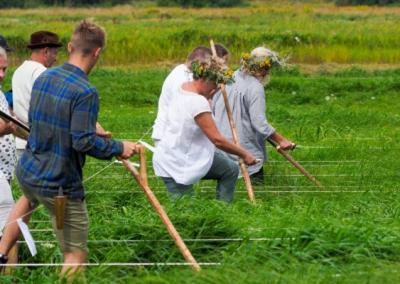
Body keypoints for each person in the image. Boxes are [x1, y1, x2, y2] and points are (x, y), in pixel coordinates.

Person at [0, 20, 138, 278]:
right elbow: (83, 142)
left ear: (71, 46)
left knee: (26, 200)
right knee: (75, 253)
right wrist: (119, 147)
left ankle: (1, 254)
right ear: (97, 52)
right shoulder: (86, 91)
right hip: (60, 186)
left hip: (29, 173)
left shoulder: (45, 77)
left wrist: (85, 126)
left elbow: (40, 121)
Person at [153, 54, 257, 202]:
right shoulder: (197, 102)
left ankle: (222, 213)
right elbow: (217, 140)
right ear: (204, 79)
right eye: (215, 84)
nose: (216, 90)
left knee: (229, 169)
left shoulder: (183, 87)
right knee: (185, 212)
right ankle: (198, 220)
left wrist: (208, 97)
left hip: (188, 153)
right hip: (175, 162)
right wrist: (245, 154)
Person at [213, 47, 295, 184]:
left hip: (222, 145)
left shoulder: (229, 77)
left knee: (228, 186)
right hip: (245, 148)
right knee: (257, 188)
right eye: (268, 69)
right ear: (263, 69)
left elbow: (213, 106)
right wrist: (281, 140)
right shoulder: (255, 88)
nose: (268, 73)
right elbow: (259, 123)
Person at [151, 44, 229, 145]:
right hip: (169, 136)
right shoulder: (182, 77)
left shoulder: (186, 73)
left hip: (176, 136)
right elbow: (188, 106)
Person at [12, 31, 62, 158]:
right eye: (55, 53)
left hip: (20, 142)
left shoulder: (18, 71)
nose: (56, 58)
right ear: (46, 51)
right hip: (40, 144)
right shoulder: (42, 73)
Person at [0, 46, 18, 272]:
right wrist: (5, 128)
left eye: (4, 69)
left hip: (5, 171)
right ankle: (12, 275)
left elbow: (13, 126)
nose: (2, 74)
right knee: (10, 223)